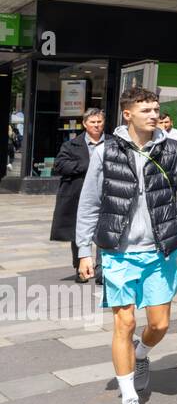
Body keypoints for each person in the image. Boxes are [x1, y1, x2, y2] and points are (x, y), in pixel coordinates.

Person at [75, 87, 177, 404]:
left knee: (158, 325)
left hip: (160, 251)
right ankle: (129, 399)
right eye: (145, 109)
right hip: (118, 251)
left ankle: (141, 354)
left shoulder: (174, 150)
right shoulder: (106, 151)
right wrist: (85, 251)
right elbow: (89, 202)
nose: (153, 114)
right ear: (127, 114)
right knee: (123, 323)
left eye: (156, 108)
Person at [52, 108, 106, 284]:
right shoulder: (71, 145)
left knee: (104, 231)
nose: (96, 125)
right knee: (79, 233)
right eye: (92, 122)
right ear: (84, 124)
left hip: (106, 194)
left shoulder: (113, 143)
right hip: (78, 195)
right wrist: (87, 165)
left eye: (99, 122)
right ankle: (80, 267)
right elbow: (60, 166)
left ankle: (101, 269)